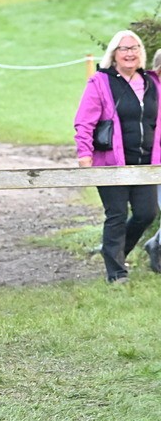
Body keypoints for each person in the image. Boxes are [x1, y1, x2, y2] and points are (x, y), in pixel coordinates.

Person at [75, 30, 161, 283]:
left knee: (146, 213)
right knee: (117, 215)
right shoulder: (100, 82)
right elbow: (84, 122)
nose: (130, 53)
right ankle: (116, 273)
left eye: (134, 48)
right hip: (111, 162)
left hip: (146, 163)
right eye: (124, 48)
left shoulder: (151, 82)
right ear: (114, 54)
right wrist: (84, 155)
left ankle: (115, 252)